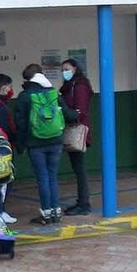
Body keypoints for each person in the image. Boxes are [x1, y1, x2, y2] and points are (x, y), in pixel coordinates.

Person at [14, 63, 71, 225]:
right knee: (52, 176)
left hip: (36, 143)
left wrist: (21, 145)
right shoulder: (53, 93)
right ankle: (56, 211)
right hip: (56, 141)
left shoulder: (25, 96)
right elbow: (66, 113)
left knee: (42, 178)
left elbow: (21, 124)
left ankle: (46, 213)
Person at [59, 58, 94, 216]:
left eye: (67, 69)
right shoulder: (70, 86)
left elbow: (81, 110)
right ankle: (82, 202)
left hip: (78, 130)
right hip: (72, 128)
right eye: (62, 70)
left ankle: (84, 203)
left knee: (79, 168)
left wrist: (66, 109)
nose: (64, 72)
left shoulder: (79, 86)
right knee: (77, 167)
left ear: (74, 68)